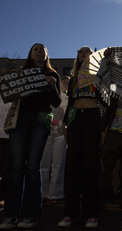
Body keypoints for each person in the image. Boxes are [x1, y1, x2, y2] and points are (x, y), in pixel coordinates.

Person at [0, 43, 61, 229]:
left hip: (40, 121)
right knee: (16, 167)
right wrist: (13, 77)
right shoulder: (21, 71)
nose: (39, 50)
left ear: (47, 54)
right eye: (35, 48)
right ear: (30, 53)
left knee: (33, 167)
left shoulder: (53, 75)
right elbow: (8, 93)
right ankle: (10, 214)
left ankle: (30, 214)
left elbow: (57, 102)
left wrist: (52, 87)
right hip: (20, 120)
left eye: (42, 49)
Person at [58, 47, 106, 228]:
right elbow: (70, 103)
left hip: (92, 118)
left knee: (90, 166)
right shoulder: (73, 79)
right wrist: (65, 123)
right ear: (77, 57)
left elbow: (108, 101)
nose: (84, 53)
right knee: (72, 166)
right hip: (75, 120)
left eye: (87, 51)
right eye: (81, 52)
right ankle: (70, 213)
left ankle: (91, 214)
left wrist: (103, 128)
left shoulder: (99, 76)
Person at [41, 75, 70, 206]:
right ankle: (42, 193)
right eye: (63, 81)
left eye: (68, 82)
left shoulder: (71, 98)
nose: (65, 83)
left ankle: (55, 194)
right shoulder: (52, 95)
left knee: (58, 164)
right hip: (47, 130)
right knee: (44, 164)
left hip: (61, 132)